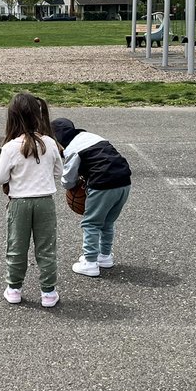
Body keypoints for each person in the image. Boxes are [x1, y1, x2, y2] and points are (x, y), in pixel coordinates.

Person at [0, 93, 64, 307]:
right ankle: (49, 293)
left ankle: (14, 288)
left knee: (17, 246)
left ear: (12, 117)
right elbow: (59, 171)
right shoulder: (50, 143)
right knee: (46, 248)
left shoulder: (11, 147)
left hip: (19, 204)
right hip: (45, 201)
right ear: (38, 115)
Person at [50, 118, 132, 277]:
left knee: (91, 223)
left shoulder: (72, 149)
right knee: (107, 221)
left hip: (102, 183)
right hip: (124, 182)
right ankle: (105, 256)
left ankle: (90, 262)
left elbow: (68, 180)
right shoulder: (92, 137)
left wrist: (71, 186)